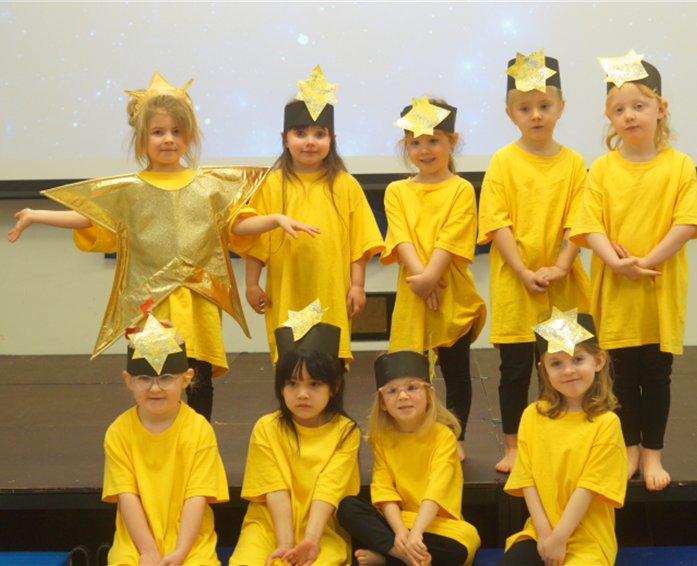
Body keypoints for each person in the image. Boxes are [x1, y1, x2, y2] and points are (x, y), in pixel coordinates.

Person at [8, 71, 318, 422]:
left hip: (199, 301)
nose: (168, 139)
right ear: (142, 138)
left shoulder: (210, 186)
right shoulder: (130, 190)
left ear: (189, 137)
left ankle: (199, 442)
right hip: (151, 302)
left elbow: (238, 225)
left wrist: (275, 218)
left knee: (198, 377)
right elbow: (89, 219)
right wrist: (36, 214)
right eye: (158, 132)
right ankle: (156, 439)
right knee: (155, 378)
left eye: (177, 132)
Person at [571, 51, 697, 491]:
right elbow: (588, 224)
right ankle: (628, 450)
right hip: (616, 290)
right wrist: (614, 262)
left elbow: (686, 223)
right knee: (620, 376)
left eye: (639, 106)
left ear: (661, 109)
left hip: (658, 290)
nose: (629, 116)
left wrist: (644, 262)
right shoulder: (604, 168)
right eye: (619, 109)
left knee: (656, 375)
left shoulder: (680, 166)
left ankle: (653, 453)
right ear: (609, 117)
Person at [478, 49, 591, 472]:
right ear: (510, 114)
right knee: (513, 371)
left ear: (561, 107)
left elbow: (579, 221)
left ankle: (561, 439)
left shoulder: (574, 163)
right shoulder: (503, 161)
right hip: (516, 284)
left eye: (545, 105)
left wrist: (561, 266)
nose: (536, 115)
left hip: (562, 283)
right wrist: (524, 271)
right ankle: (513, 447)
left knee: (563, 366)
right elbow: (496, 223)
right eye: (525, 108)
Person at [236, 65, 385, 367]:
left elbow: (360, 243)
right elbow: (256, 242)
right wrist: (252, 284)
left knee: (328, 365)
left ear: (332, 138)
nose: (310, 141)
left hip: (330, 293)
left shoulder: (345, 184)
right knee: (290, 365)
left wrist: (357, 285)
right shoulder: (271, 185)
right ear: (285, 137)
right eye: (300, 133)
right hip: (286, 292)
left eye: (320, 134)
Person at [380, 97, 486, 462]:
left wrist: (431, 276)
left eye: (433, 140)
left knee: (456, 371)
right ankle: (413, 436)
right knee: (410, 374)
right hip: (414, 293)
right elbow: (400, 236)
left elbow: (452, 236)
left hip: (450, 293)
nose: (424, 150)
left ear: (452, 141)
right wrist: (422, 279)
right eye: (415, 142)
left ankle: (456, 438)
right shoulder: (397, 191)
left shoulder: (461, 189)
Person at [230, 303, 360, 566]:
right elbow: (274, 488)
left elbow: (329, 489)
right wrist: (286, 544)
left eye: (314, 384)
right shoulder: (267, 427)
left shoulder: (346, 431)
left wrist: (310, 539)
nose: (302, 394)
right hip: (269, 525)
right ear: (281, 386)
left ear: (334, 386)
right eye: (292, 383)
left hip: (320, 528)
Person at [498, 308, 627, 566]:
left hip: (586, 536)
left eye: (578, 359)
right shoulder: (532, 415)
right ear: (544, 370)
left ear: (599, 361)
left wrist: (559, 539)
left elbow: (589, 487)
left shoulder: (606, 423)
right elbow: (527, 479)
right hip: (541, 531)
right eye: (556, 363)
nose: (568, 370)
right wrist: (545, 534)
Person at [103, 309, 229, 566]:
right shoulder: (118, 432)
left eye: (166, 378)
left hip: (190, 544)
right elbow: (127, 497)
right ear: (129, 380)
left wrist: (180, 552)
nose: (155, 388)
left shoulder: (199, 430)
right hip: (136, 544)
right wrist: (148, 551)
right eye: (144, 378)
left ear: (186, 378)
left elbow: (196, 496)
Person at [338, 351, 480, 566]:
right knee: (348, 508)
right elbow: (384, 492)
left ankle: (387, 558)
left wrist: (416, 534)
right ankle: (405, 557)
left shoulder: (443, 436)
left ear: (429, 395)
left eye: (412, 388)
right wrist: (401, 533)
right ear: (383, 402)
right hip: (398, 521)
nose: (403, 396)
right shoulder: (382, 440)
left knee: (462, 545)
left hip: (437, 525)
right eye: (392, 391)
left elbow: (436, 492)